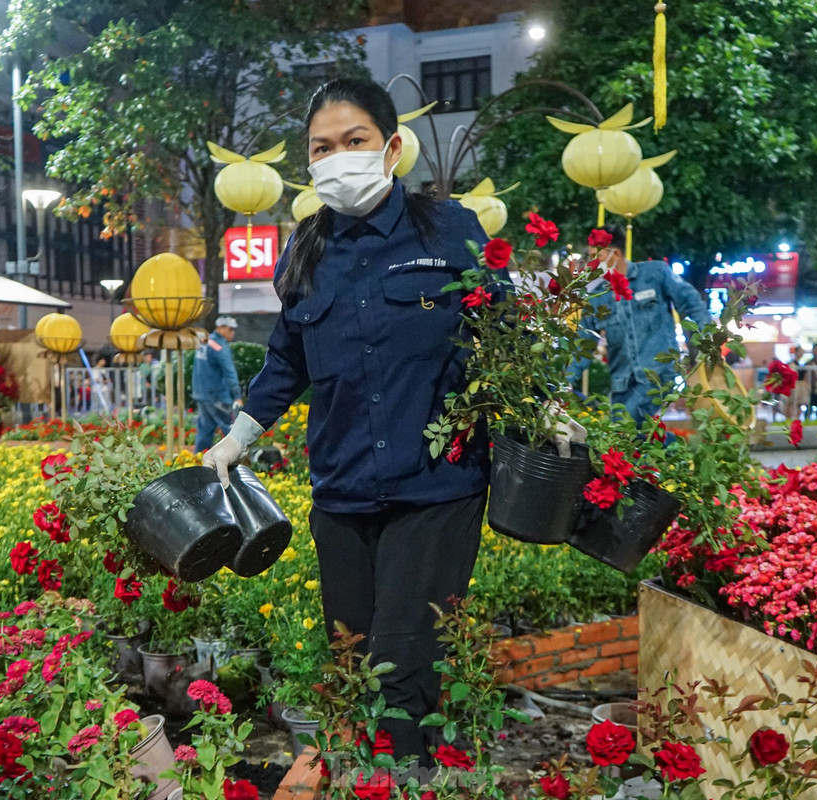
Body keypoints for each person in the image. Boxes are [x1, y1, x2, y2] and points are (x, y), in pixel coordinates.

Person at [200, 78, 498, 764]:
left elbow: (501, 328)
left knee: (403, 659)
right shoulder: (305, 248)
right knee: (352, 654)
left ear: (391, 148)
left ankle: (407, 777)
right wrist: (237, 439)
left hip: (436, 487)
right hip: (342, 492)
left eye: (354, 141)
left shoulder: (448, 229)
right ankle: (369, 769)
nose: (338, 158)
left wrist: (543, 407)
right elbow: (287, 359)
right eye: (322, 148)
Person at [572, 225, 712, 423]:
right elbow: (582, 346)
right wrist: (562, 385)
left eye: (596, 256)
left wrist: (708, 338)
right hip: (622, 385)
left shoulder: (655, 273)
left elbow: (691, 302)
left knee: (622, 429)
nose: (592, 263)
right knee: (628, 435)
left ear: (615, 253)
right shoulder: (597, 298)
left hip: (657, 377)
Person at [192, 316, 242, 452]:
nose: (233, 333)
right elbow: (229, 371)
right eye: (230, 329)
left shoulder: (205, 342)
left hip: (201, 394)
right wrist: (237, 395)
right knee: (231, 428)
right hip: (217, 395)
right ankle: (238, 460)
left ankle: (198, 459)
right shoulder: (219, 346)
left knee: (205, 429)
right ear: (221, 328)